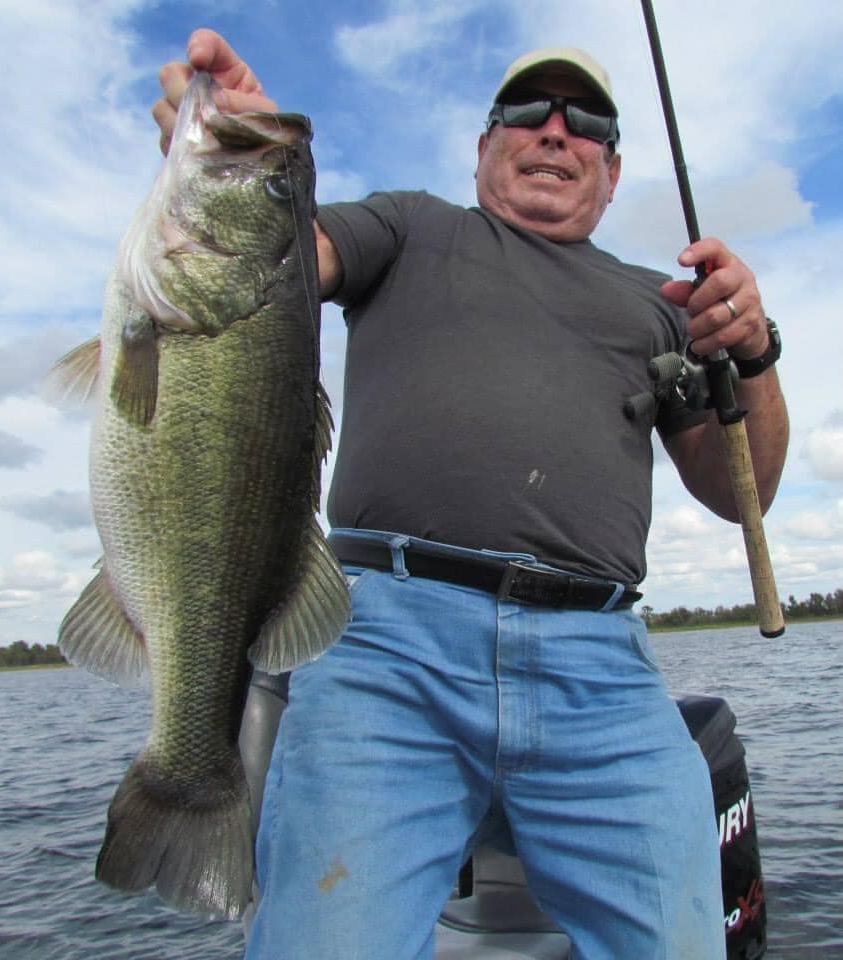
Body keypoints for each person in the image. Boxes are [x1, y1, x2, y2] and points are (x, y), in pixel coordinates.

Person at [154, 29, 788, 960]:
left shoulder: (660, 304)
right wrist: (243, 156)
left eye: (588, 125)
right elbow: (278, 256)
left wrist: (753, 352)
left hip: (599, 672)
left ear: (613, 175)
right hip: (385, 653)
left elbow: (743, 492)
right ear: (485, 147)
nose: (556, 134)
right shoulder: (411, 225)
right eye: (528, 113)